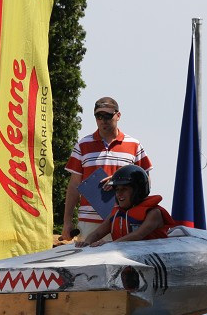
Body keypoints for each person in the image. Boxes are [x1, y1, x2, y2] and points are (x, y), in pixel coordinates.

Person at [60, 97, 153, 242]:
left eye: (108, 115)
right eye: (99, 116)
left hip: (123, 218)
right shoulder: (82, 145)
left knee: (122, 264)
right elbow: (73, 186)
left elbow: (145, 182)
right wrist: (67, 222)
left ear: (118, 115)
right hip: (89, 222)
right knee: (89, 264)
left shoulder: (134, 145)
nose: (103, 120)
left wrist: (120, 180)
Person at [75, 165, 174, 247]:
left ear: (138, 190)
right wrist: (86, 243)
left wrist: (110, 245)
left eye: (124, 189)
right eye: (117, 190)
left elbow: (138, 235)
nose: (119, 194)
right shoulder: (116, 213)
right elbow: (97, 233)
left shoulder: (154, 213)